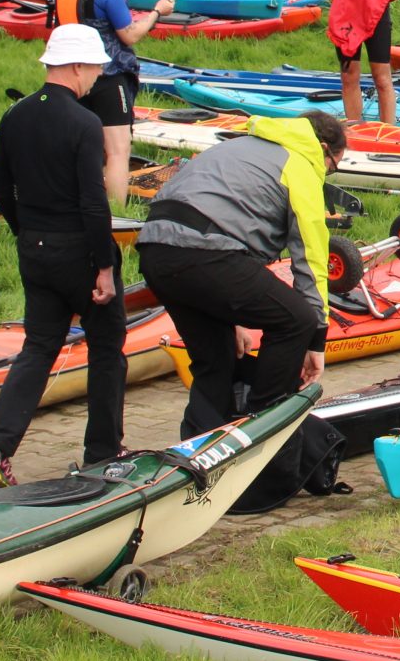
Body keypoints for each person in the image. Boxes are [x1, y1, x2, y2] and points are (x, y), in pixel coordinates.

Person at [0, 24, 128, 488]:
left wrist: (26, 233)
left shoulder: (14, 116)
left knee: (39, 348)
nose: (98, 77)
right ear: (77, 66)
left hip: (35, 248)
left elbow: (1, 188)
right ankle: (103, 450)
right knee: (106, 349)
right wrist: (105, 266)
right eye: (96, 68)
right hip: (80, 251)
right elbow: (93, 202)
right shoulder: (84, 123)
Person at [133, 111, 341, 440]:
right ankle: (264, 426)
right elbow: (311, 259)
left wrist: (234, 315)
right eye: (332, 167)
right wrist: (316, 341)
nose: (325, 174)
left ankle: (199, 448)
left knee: (216, 361)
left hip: (155, 250)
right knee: (296, 320)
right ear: (324, 148)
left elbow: (233, 223)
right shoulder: (300, 163)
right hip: (204, 252)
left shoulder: (240, 146)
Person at [52, 0, 182, 204]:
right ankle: (116, 213)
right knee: (117, 150)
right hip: (108, 78)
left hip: (72, 76)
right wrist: (157, 13)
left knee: (85, 148)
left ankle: (80, 201)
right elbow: (129, 34)